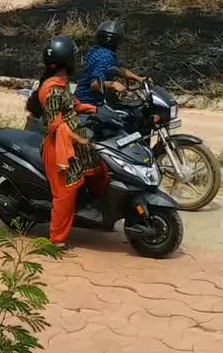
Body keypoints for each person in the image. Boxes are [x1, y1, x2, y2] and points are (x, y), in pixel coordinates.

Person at [27, 36, 109, 249]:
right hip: (60, 147)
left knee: (100, 169)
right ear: (69, 60)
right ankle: (56, 240)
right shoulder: (52, 89)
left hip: (75, 140)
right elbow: (56, 125)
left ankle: (96, 212)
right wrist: (79, 139)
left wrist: (99, 111)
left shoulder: (60, 85)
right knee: (66, 192)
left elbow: (73, 105)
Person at [74, 20, 146, 106]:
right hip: (90, 103)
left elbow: (117, 69)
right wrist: (113, 84)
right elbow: (94, 85)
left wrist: (139, 79)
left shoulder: (95, 50)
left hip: (82, 98)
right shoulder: (106, 58)